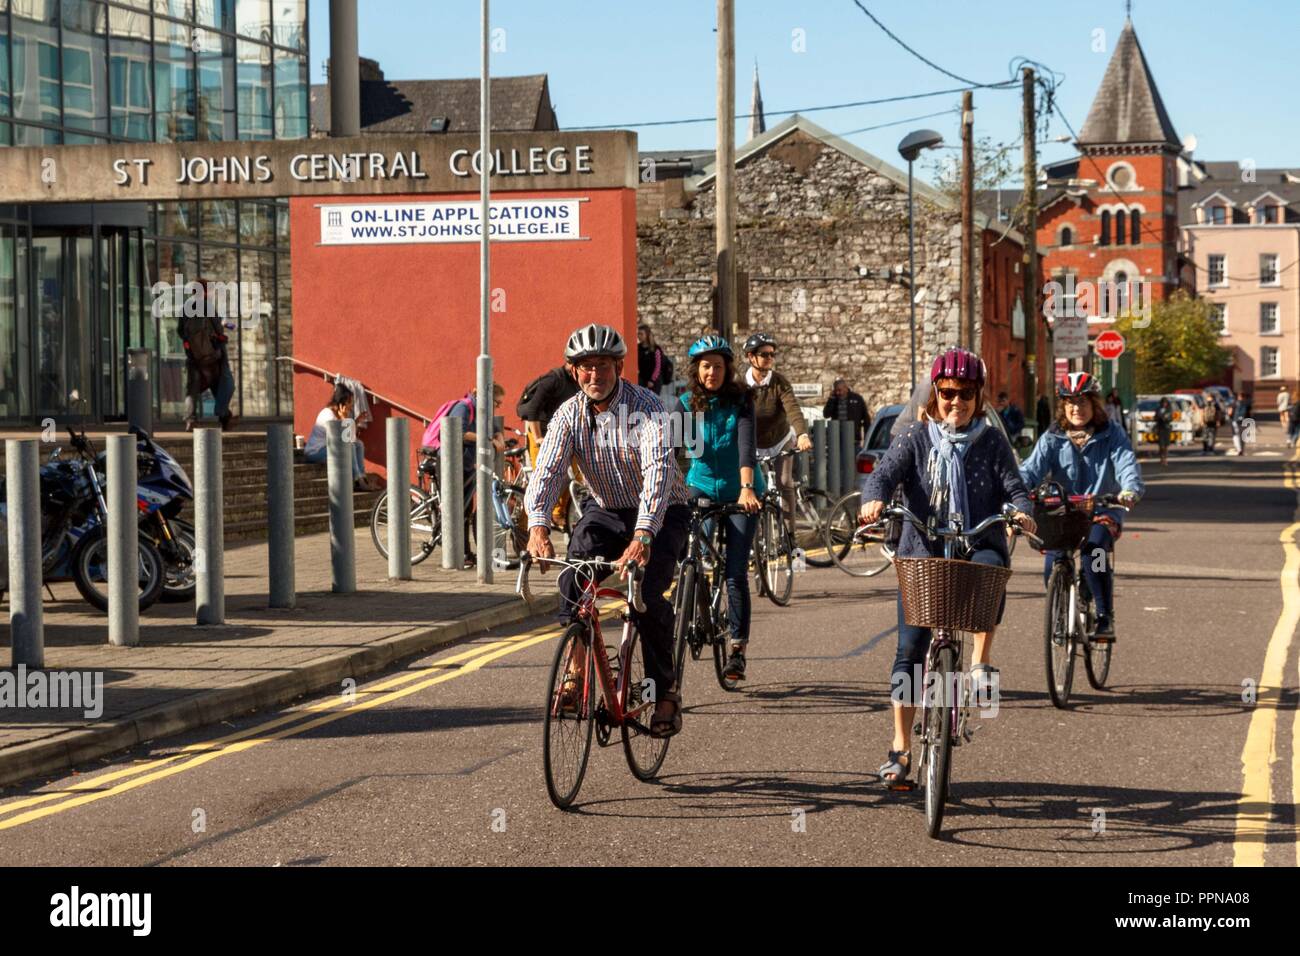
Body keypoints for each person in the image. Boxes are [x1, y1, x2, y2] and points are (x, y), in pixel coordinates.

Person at [859, 347, 1037, 785]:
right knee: (909, 653)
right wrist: (873, 500)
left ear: (979, 398)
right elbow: (882, 475)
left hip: (977, 542)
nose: (956, 402)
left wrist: (1019, 511)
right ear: (935, 395)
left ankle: (981, 660)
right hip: (923, 549)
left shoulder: (993, 441)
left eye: (966, 394)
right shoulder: (915, 437)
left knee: (992, 569)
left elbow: (1015, 487)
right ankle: (900, 748)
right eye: (948, 393)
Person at [525, 323, 692, 738]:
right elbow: (547, 472)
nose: (594, 375)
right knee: (573, 576)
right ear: (573, 370)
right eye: (585, 367)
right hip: (608, 509)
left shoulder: (647, 407)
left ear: (618, 365)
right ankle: (577, 668)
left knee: (646, 596)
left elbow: (657, 471)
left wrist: (643, 535)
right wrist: (538, 524)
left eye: (602, 365)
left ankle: (665, 690)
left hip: (663, 512)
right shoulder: (568, 414)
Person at [1021, 371, 1144, 644]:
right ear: (1063, 406)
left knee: (1095, 554)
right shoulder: (1053, 436)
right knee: (1051, 564)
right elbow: (1030, 471)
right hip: (1063, 513)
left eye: (1083, 402)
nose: (1077, 408)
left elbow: (1126, 465)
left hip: (1102, 509)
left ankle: (1103, 616)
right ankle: (1060, 613)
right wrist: (1017, 491)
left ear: (1094, 404)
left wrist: (1128, 491)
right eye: (1070, 402)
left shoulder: (1112, 433)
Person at [679, 336, 763, 681]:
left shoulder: (741, 400)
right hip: (701, 482)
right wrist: (670, 491)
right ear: (696, 370)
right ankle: (692, 599)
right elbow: (674, 454)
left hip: (740, 488)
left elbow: (746, 447)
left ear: (727, 368)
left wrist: (746, 489)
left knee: (734, 573)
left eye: (717, 365)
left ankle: (737, 651)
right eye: (705, 365)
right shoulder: (685, 404)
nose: (711, 371)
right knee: (690, 553)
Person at [744, 332, 812, 534]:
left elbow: (793, 408)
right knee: (753, 486)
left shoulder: (779, 382)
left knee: (784, 482)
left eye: (773, 354)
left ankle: (790, 537)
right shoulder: (741, 384)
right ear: (751, 357)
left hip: (780, 439)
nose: (770, 359)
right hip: (753, 443)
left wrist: (802, 434)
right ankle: (754, 539)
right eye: (765, 354)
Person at [431, 384, 507, 563]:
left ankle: (464, 553)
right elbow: (459, 431)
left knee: (465, 508)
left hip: (466, 463)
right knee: (456, 507)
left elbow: (493, 425)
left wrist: (498, 435)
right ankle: (457, 553)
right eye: (497, 403)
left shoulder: (482, 411)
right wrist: (488, 439)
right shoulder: (464, 407)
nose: (497, 407)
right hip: (451, 462)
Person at [517, 362, 581, 528]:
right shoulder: (553, 380)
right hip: (541, 431)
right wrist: (538, 438)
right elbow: (533, 411)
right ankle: (526, 524)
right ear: (570, 363)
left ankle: (558, 513)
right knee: (545, 474)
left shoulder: (579, 381)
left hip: (563, 432)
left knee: (576, 473)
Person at [303, 383, 383, 491]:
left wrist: (353, 421)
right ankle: (357, 480)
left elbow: (351, 440)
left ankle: (362, 477)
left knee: (359, 444)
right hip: (315, 452)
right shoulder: (328, 415)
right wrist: (345, 419)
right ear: (341, 403)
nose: (351, 406)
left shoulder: (338, 415)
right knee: (350, 446)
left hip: (329, 448)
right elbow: (344, 441)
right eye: (350, 402)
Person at [180, 283, 237, 431]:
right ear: (204, 292)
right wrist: (223, 327)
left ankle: (190, 420)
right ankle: (223, 415)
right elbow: (218, 328)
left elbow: (180, 331)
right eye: (210, 290)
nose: (212, 293)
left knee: (192, 389)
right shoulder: (207, 306)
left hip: (194, 356)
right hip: (213, 355)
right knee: (223, 384)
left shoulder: (186, 307)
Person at [822, 378, 871, 446]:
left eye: (839, 390)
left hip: (853, 439)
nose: (838, 393)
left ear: (845, 388)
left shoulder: (857, 399)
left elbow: (866, 419)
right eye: (836, 391)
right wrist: (831, 399)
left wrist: (867, 438)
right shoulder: (834, 400)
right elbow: (826, 414)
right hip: (837, 439)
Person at [636, 323, 675, 394]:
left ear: (647, 335)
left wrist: (652, 380)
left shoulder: (655, 349)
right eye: (638, 334)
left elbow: (658, 366)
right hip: (642, 380)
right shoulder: (637, 348)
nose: (639, 336)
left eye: (641, 334)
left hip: (655, 381)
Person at [1228, 391, 1251, 456]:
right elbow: (1250, 414)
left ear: (1238, 397)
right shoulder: (1247, 404)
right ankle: (1242, 449)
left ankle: (1239, 449)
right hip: (1245, 421)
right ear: (1244, 397)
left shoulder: (1233, 403)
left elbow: (1230, 413)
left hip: (1235, 421)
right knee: (1243, 436)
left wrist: (1230, 419)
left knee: (1236, 435)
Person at [1154, 396, 1173, 466]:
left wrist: (1166, 418)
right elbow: (1155, 418)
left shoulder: (1169, 410)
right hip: (1160, 428)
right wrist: (1158, 417)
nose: (1164, 404)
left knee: (1166, 445)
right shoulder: (1158, 409)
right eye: (1163, 402)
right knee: (1161, 445)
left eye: (1165, 403)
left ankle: (1165, 459)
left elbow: (1171, 418)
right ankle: (1161, 458)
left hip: (1167, 428)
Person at [1202, 389, 1220, 454]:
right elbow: (1218, 413)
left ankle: (1205, 448)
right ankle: (1210, 448)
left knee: (1205, 435)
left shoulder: (1204, 403)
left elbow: (1202, 412)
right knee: (1211, 435)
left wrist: (1202, 421)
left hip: (1206, 421)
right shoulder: (1215, 404)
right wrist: (1218, 421)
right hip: (1212, 421)